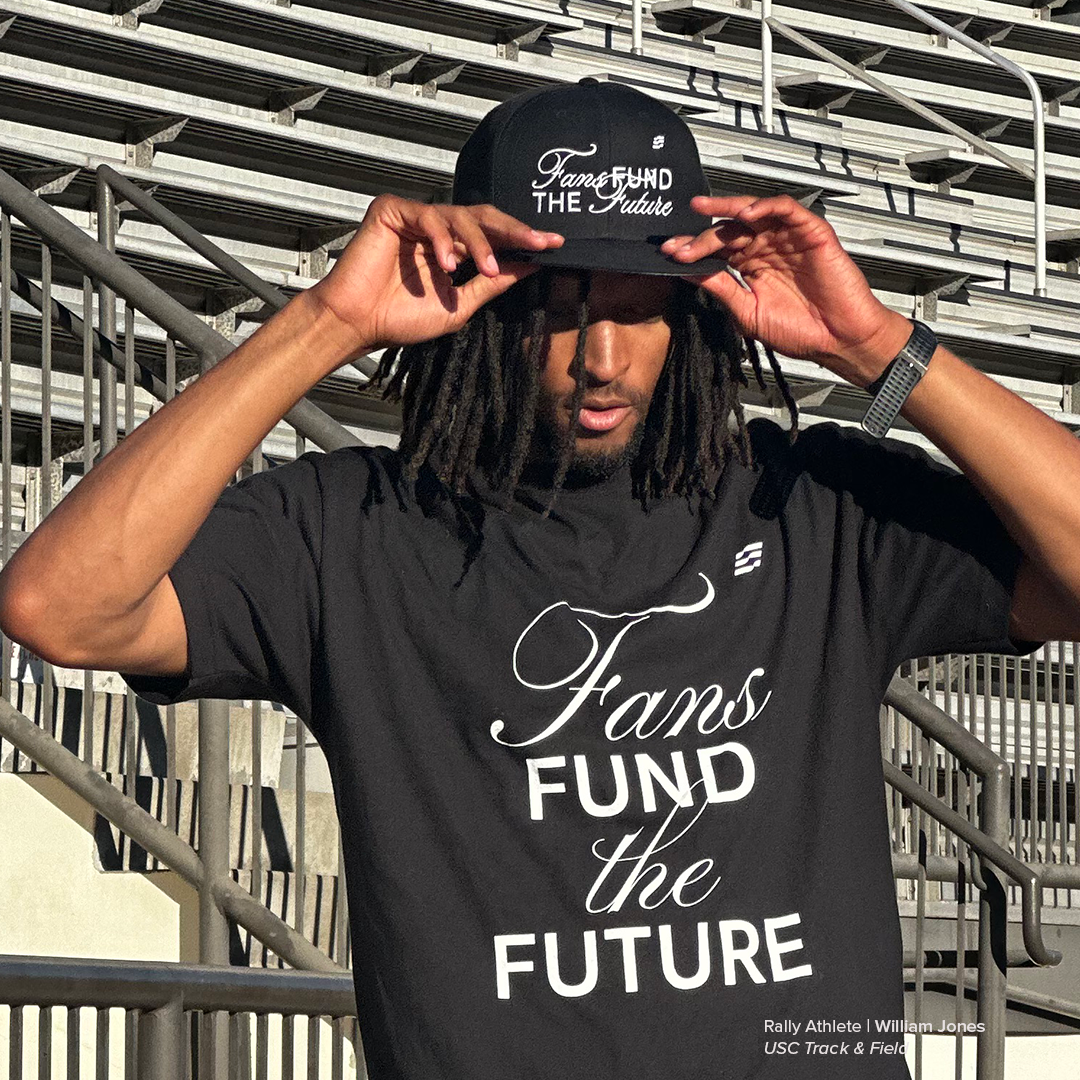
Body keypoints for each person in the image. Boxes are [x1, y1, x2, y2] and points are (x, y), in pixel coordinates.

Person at [1, 78, 1078, 1079]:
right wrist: (328, 323)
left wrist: (876, 345)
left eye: (638, 304)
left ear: (692, 311)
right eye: (557, 308)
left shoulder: (816, 508)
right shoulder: (355, 531)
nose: (600, 357)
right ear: (481, 301)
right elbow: (60, 605)